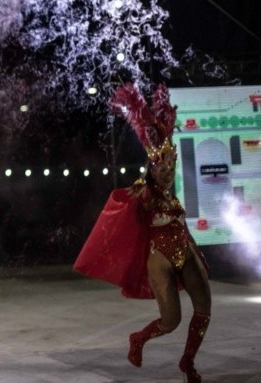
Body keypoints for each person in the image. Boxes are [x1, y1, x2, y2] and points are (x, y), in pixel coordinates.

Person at [74, 83, 211, 383]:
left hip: (184, 250)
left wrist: (195, 250)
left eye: (171, 166)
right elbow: (122, 211)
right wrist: (134, 194)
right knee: (171, 321)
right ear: (151, 167)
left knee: (204, 308)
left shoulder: (170, 195)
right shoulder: (144, 191)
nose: (167, 171)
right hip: (159, 258)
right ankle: (138, 339)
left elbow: (181, 225)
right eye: (161, 167)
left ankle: (188, 363)